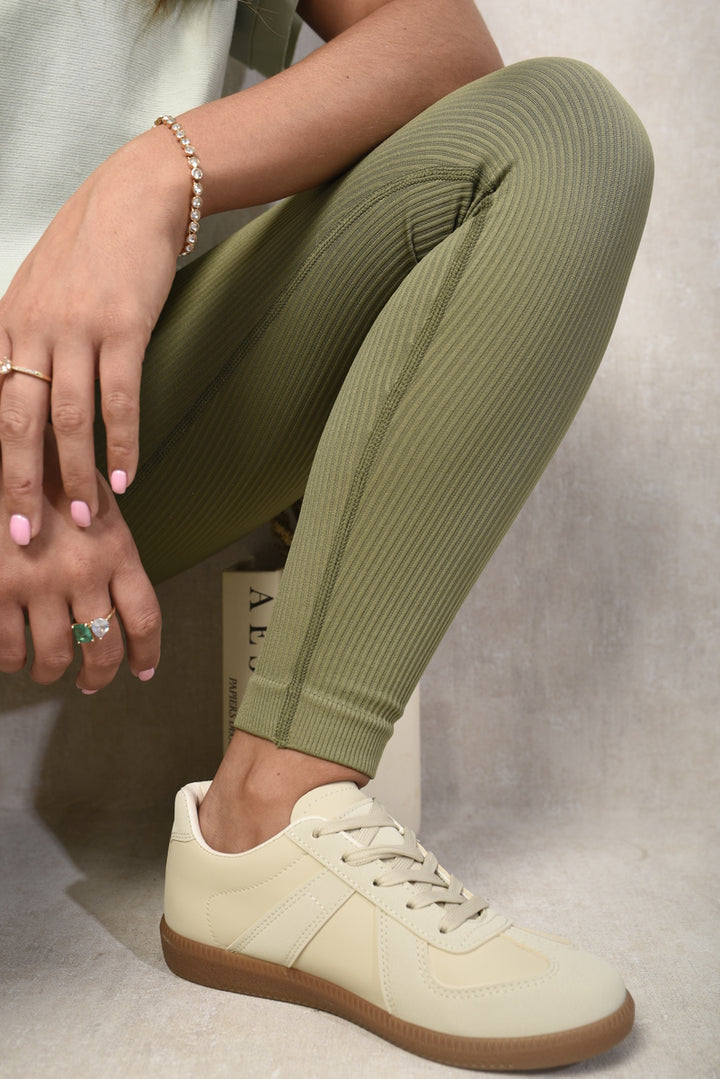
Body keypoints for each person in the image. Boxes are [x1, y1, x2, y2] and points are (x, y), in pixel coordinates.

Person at [0, 0, 653, 1070]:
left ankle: (269, 824)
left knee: (557, 133)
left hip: (122, 432)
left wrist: (151, 174)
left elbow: (437, 43)